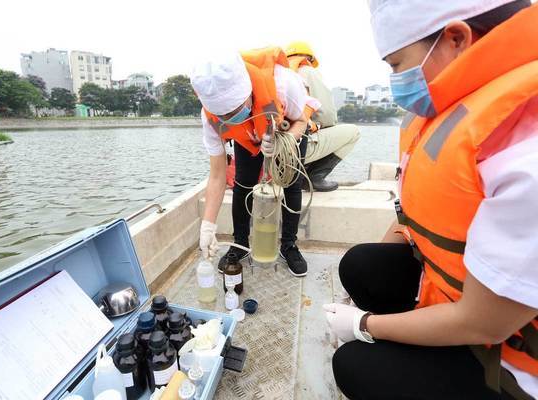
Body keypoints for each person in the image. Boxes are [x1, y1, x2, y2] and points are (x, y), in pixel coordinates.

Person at [325, 1, 538, 399]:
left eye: (396, 64)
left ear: (455, 38)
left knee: (353, 365)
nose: (395, 79)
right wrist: (361, 297)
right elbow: (410, 215)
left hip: (505, 350)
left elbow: (484, 324)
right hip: (450, 294)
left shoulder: (526, 152)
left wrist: (364, 325)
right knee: (361, 264)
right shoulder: (453, 108)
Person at [191, 47, 320, 277]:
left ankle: (289, 245)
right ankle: (240, 243)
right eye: (224, 116)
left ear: (248, 91)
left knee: (291, 183)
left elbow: (301, 119)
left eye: (236, 110)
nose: (231, 117)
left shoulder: (284, 83)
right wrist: (207, 225)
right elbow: (218, 175)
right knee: (243, 184)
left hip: (286, 127)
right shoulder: (209, 118)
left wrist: (286, 140)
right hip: (247, 137)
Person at [285, 41, 361, 192]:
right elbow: (327, 115)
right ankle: (313, 177)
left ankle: (297, 174)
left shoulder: (278, 75)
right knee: (353, 132)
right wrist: (321, 126)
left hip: (275, 148)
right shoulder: (307, 71)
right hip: (297, 147)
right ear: (309, 58)